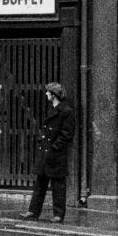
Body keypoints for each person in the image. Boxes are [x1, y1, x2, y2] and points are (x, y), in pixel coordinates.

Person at [21, 82, 75, 224]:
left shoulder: (66, 111)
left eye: (47, 92)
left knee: (58, 185)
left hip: (56, 155)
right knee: (40, 183)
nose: (45, 94)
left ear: (53, 94)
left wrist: (54, 148)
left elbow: (67, 135)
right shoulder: (53, 109)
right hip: (47, 153)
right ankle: (33, 212)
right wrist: (42, 142)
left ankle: (58, 215)